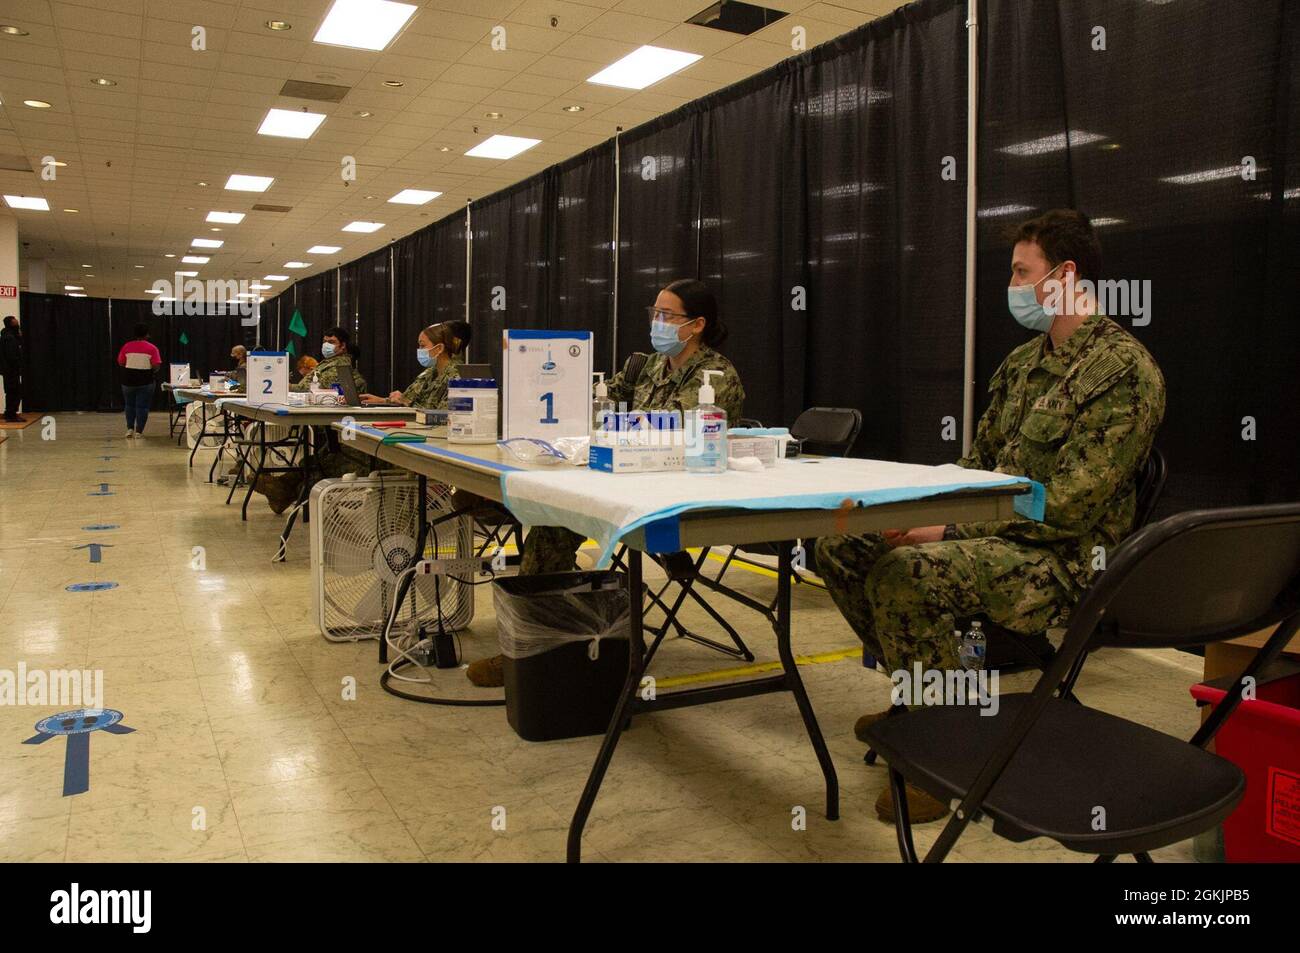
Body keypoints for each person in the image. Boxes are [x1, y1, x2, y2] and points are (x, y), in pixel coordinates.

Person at [815, 209, 1166, 823]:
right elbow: (976, 468)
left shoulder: (1124, 372)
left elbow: (1066, 509)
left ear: (1065, 275)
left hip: (1063, 562)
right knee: (841, 548)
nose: (1012, 286)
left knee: (909, 574)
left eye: (1020, 272)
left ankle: (947, 752)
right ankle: (925, 697)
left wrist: (947, 531)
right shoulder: (1022, 365)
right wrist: (907, 511)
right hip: (998, 542)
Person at [465, 278, 745, 687]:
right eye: (655, 314)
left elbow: (680, 435)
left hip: (676, 496)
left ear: (697, 324)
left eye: (667, 315)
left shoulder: (714, 374)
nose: (657, 323)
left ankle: (535, 649)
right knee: (550, 522)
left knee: (552, 530)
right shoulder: (648, 364)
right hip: (627, 482)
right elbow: (595, 399)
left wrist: (617, 427)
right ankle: (535, 647)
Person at [360, 321, 469, 409]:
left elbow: (444, 416)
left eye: (422, 346)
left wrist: (406, 402)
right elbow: (408, 398)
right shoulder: (430, 373)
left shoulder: (458, 377)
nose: (419, 350)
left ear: (439, 348)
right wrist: (383, 401)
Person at [117, 323, 162, 437]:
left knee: (129, 405)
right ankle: (139, 431)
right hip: (145, 381)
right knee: (142, 407)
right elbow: (156, 366)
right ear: (147, 335)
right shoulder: (152, 348)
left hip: (128, 381)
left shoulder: (127, 346)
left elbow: (121, 362)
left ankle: (130, 429)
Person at [290, 326, 366, 394]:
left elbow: (320, 386)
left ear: (342, 345)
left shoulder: (341, 363)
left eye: (331, 342)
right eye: (324, 342)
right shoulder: (330, 362)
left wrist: (289, 387)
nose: (326, 345)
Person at [1, 315, 22, 422]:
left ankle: (11, 413)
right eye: (15, 323)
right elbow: (11, 356)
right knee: (13, 391)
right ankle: (10, 414)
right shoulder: (9, 338)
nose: (17, 324)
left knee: (13, 391)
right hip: (10, 370)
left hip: (10, 370)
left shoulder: (10, 336)